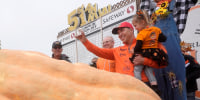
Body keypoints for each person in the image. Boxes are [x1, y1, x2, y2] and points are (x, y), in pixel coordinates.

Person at [75, 21, 167, 94]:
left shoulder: (145, 43)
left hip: (143, 88)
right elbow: (98, 51)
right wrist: (85, 41)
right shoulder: (116, 50)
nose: (120, 35)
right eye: (118, 33)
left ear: (131, 30)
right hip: (122, 89)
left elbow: (163, 62)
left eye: (122, 30)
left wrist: (144, 61)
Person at [140, 0, 189, 99]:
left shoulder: (179, 3)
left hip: (171, 46)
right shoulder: (148, 9)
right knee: (161, 87)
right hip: (154, 48)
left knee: (177, 86)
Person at [129, 10, 168, 94]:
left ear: (142, 22)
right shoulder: (156, 29)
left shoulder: (141, 33)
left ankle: (138, 85)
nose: (135, 28)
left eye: (135, 26)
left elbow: (138, 46)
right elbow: (163, 39)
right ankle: (154, 86)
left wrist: (133, 51)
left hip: (144, 53)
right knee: (149, 70)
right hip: (153, 53)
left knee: (137, 69)